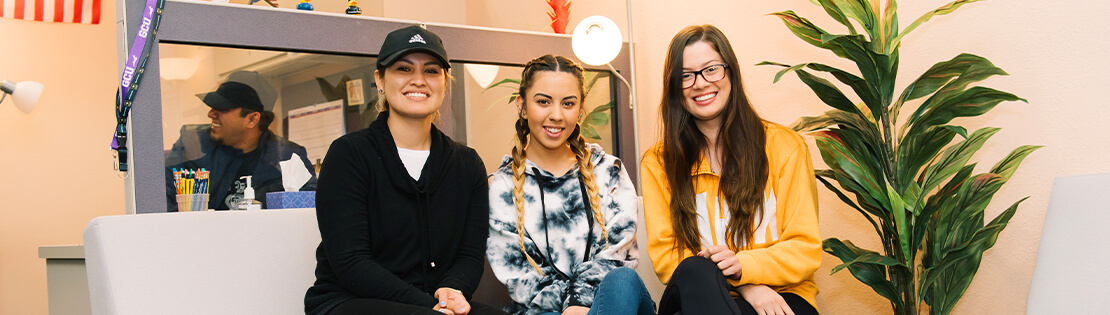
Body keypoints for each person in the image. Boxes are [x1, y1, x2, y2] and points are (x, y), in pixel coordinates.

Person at [304, 25, 505, 315]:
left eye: (432, 71)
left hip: (434, 304)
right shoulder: (348, 155)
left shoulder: (467, 163)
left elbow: (469, 255)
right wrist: (430, 306)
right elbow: (351, 264)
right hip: (348, 301)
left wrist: (453, 290)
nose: (419, 80)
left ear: (445, 81)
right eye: (403, 69)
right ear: (380, 79)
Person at [640, 25, 822, 315]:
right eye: (686, 76)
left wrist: (746, 267)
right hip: (696, 296)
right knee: (695, 269)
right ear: (675, 87)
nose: (700, 83)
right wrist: (743, 284)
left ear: (731, 72)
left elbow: (805, 248)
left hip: (780, 300)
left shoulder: (784, 147)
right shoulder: (659, 163)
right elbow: (667, 257)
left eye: (711, 69)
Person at [486, 55, 654, 315]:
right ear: (522, 106)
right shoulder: (503, 186)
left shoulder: (608, 170)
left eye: (568, 103)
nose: (556, 115)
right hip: (544, 311)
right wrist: (570, 305)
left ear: (580, 107)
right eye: (543, 102)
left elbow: (619, 252)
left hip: (610, 304)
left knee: (622, 281)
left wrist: (581, 301)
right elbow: (516, 273)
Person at [164, 77, 317, 211]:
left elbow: (310, 205)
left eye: (221, 108)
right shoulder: (193, 143)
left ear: (252, 119)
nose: (210, 114)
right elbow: (162, 196)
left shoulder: (288, 157)